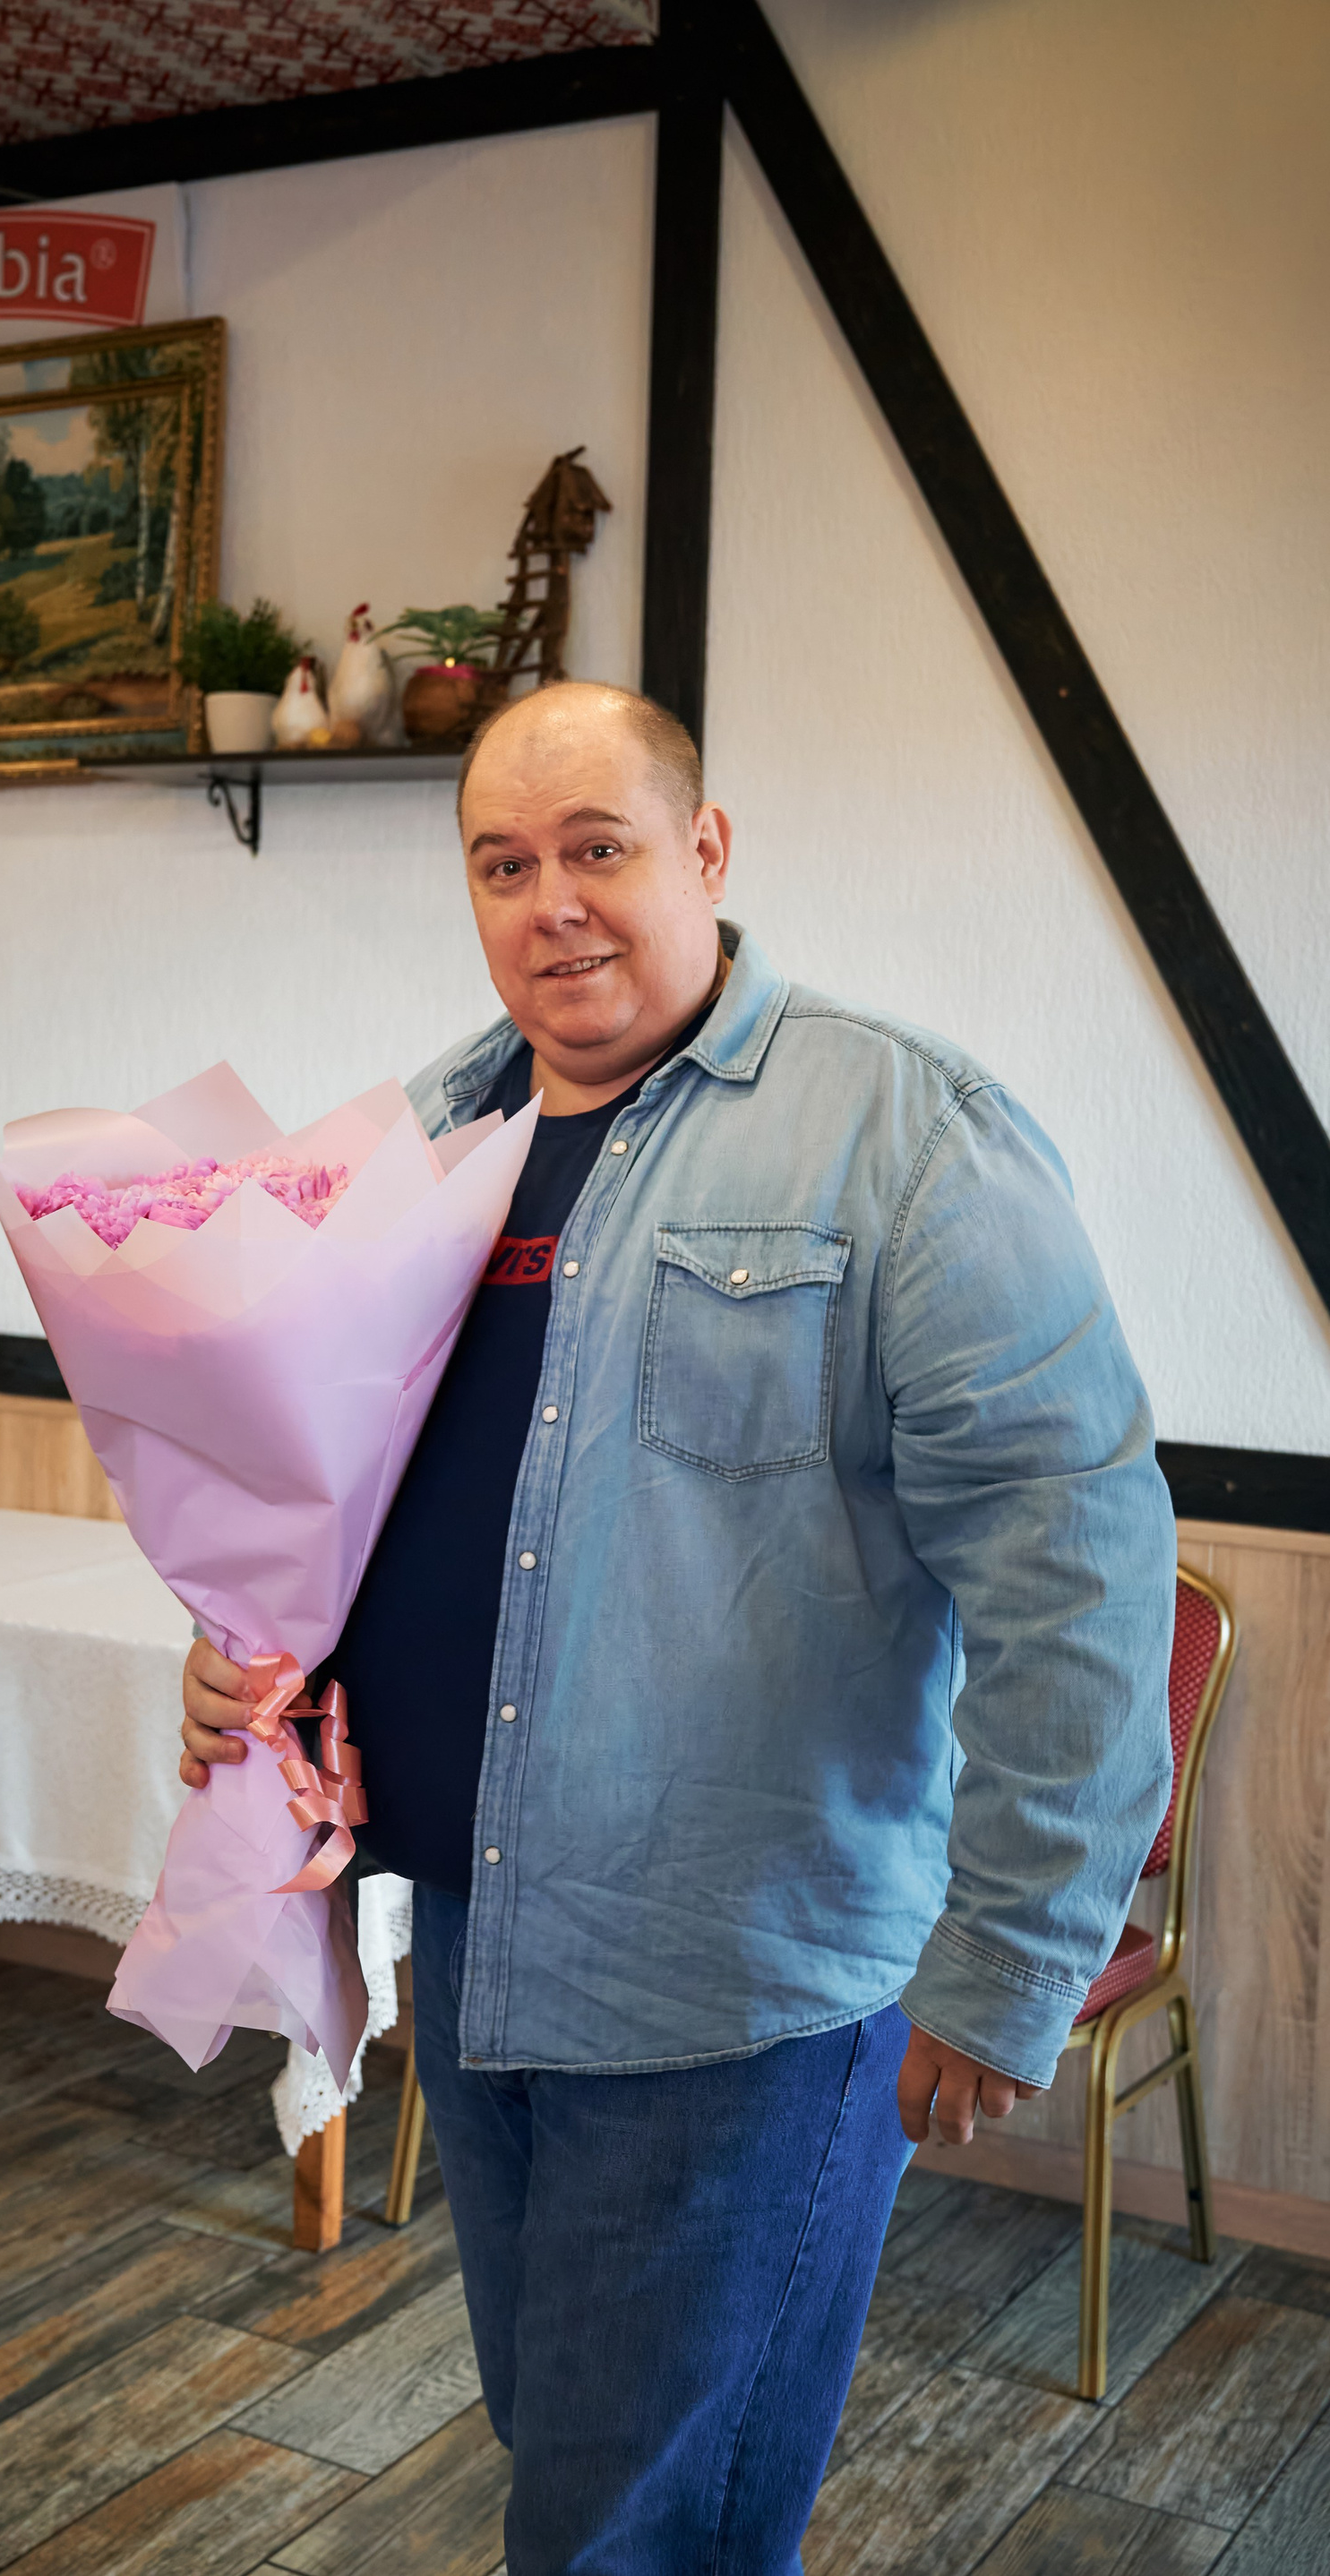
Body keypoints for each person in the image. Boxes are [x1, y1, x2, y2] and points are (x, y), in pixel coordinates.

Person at [181, 683, 1176, 2574]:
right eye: (504, 865)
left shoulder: (906, 1135)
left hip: (745, 1992)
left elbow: (1079, 1567)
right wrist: (253, 1660)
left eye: (599, 849)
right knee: (569, 2456)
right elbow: (345, 1508)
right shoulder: (429, 1138)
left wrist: (1013, 1952)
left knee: (633, 2529)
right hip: (480, 1944)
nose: (552, 902)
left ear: (705, 851)